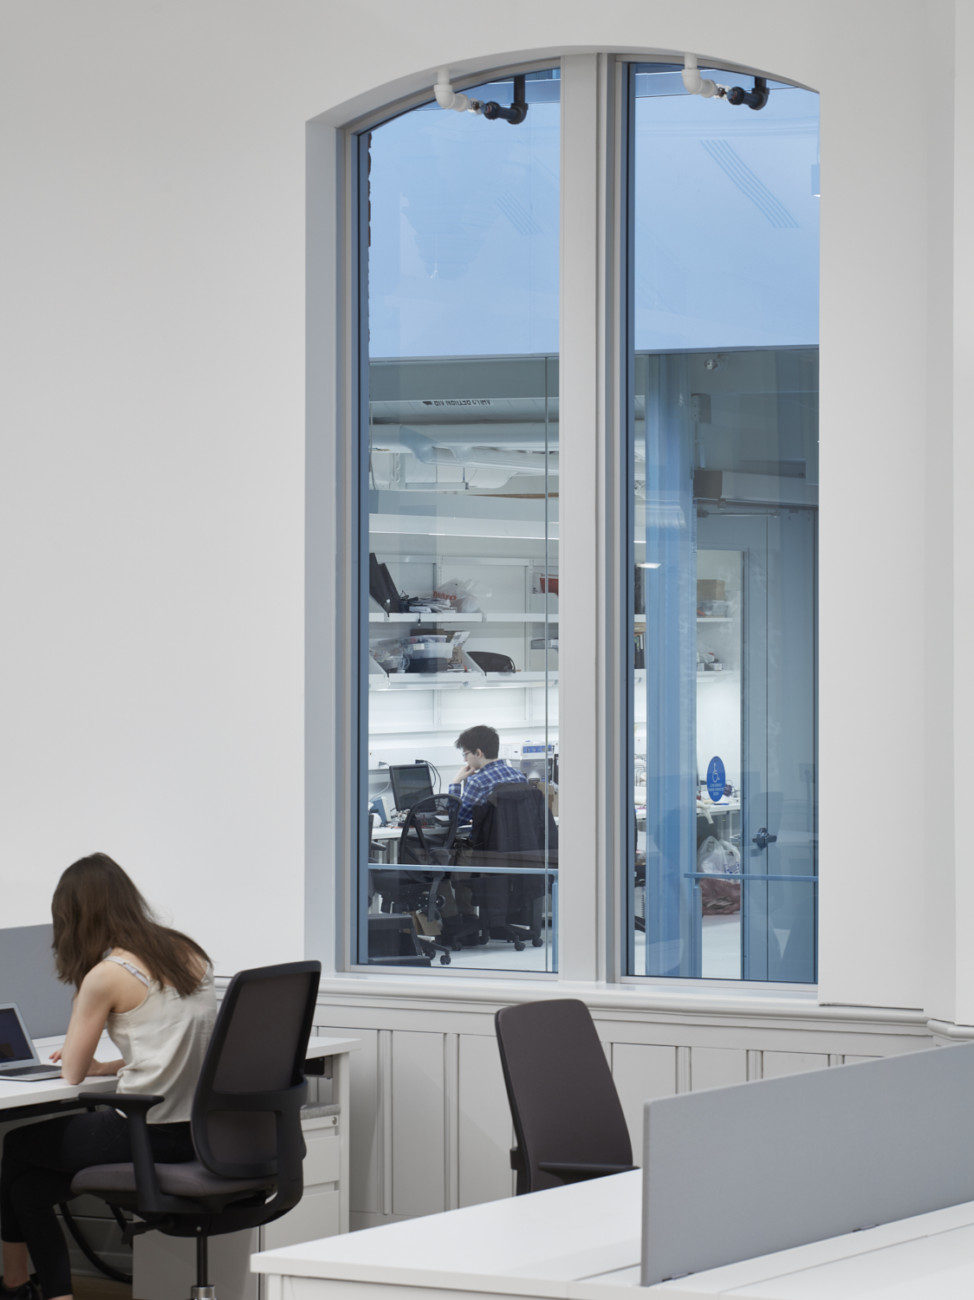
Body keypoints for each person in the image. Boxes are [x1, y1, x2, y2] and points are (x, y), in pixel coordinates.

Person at [0, 854, 216, 1300]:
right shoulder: (188, 952)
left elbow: (71, 1072)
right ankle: (41, 1290)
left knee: (16, 1145)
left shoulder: (108, 974)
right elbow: (181, 1047)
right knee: (29, 1189)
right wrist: (112, 1066)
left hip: (146, 1131)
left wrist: (85, 995)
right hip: (201, 1133)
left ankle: (15, 1284)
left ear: (75, 918)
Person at [449, 724, 526, 824]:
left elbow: (457, 820)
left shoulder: (477, 783)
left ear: (478, 753)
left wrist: (456, 781)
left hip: (492, 834)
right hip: (521, 834)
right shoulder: (519, 776)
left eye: (465, 754)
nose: (465, 759)